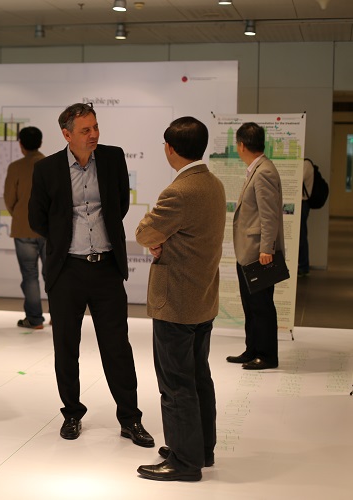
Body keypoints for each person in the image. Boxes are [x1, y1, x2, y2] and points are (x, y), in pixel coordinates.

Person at [28, 103, 153, 446]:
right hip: (67, 270)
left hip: (106, 268)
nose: (94, 134)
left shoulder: (113, 158)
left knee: (117, 347)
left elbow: (120, 204)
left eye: (95, 127)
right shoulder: (47, 169)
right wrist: (65, 239)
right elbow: (37, 218)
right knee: (66, 347)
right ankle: (71, 413)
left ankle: (130, 418)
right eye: (85, 130)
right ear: (67, 134)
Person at [134, 117, 225, 482]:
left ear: (170, 148)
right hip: (202, 298)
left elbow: (145, 232)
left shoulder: (179, 192)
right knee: (199, 377)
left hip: (176, 302)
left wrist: (158, 239)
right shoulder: (213, 184)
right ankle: (200, 449)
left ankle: (184, 462)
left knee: (175, 384)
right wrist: (164, 239)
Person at [227, 122, 284, 370]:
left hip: (258, 252)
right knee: (250, 305)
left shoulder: (264, 172)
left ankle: (267, 355)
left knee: (261, 306)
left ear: (241, 145)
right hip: (248, 251)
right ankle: (252, 349)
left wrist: (266, 249)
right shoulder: (257, 169)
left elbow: (269, 216)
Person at [3, 126, 47, 330]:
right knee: (53, 275)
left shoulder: (16, 167)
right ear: (40, 142)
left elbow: (9, 199)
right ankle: (59, 316)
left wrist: (19, 215)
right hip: (48, 229)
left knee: (30, 276)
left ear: (21, 144)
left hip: (23, 227)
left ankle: (35, 319)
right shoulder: (51, 164)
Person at [298, 158, 314, 277]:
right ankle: (302, 265)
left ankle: (303, 266)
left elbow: (297, 179)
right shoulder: (304, 164)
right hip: (300, 203)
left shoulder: (306, 164)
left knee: (301, 235)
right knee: (301, 235)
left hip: (302, 203)